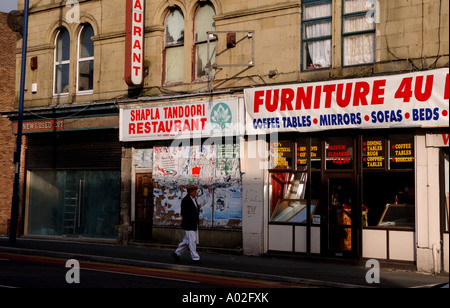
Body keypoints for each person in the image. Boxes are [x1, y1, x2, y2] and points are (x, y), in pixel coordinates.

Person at [172, 186, 201, 264]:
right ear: (191, 192)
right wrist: (190, 220)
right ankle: (195, 258)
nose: (196, 193)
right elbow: (184, 213)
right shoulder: (186, 200)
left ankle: (177, 253)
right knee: (192, 241)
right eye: (195, 191)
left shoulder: (194, 200)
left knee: (186, 241)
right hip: (189, 224)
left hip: (193, 224)